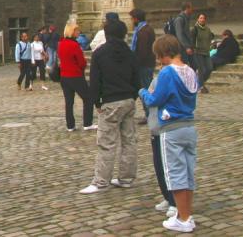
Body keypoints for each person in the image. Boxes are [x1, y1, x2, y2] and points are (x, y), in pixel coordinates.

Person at [140, 35, 199, 233]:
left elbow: (154, 99)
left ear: (165, 53)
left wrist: (142, 92)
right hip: (189, 125)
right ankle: (185, 214)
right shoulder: (190, 71)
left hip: (171, 127)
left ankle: (183, 218)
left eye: (159, 55)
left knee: (174, 174)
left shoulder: (167, 73)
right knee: (188, 172)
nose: (158, 60)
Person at [80, 19, 140, 194]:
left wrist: (96, 102)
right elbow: (137, 79)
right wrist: (133, 96)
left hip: (110, 101)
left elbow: (95, 80)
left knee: (106, 142)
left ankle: (100, 181)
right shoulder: (130, 53)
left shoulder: (100, 53)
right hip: (128, 100)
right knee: (129, 141)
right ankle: (127, 178)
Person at [58, 22, 95, 132]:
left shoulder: (61, 43)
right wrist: (81, 67)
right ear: (71, 32)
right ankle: (87, 123)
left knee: (69, 102)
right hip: (75, 76)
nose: (78, 32)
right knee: (88, 98)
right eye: (76, 30)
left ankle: (70, 125)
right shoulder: (74, 45)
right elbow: (82, 62)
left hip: (64, 76)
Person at [190, 14, 214, 92]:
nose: (202, 19)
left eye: (203, 18)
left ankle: (200, 82)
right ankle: (201, 86)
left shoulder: (207, 29)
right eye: (200, 18)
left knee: (209, 68)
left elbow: (210, 37)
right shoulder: (195, 29)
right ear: (198, 19)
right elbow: (192, 40)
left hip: (206, 52)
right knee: (201, 70)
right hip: (198, 52)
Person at [172, 2, 196, 69]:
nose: (192, 9)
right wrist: (186, 47)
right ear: (187, 8)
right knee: (184, 65)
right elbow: (179, 35)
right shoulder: (179, 19)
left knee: (194, 65)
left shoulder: (186, 18)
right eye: (191, 8)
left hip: (188, 46)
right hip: (182, 48)